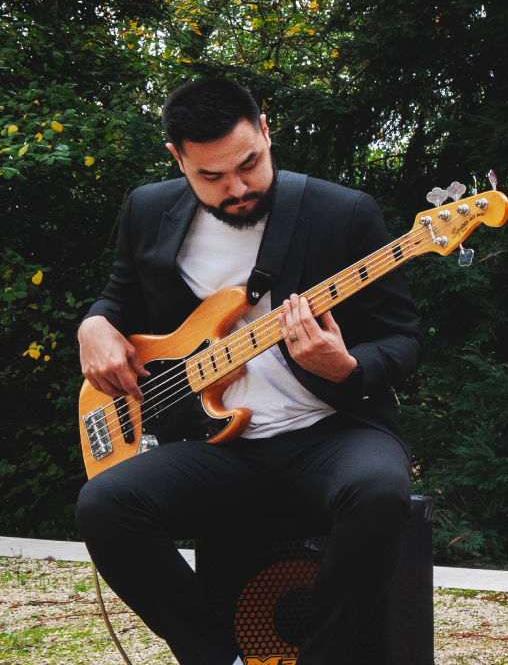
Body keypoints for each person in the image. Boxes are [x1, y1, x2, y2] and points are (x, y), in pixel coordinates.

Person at [75, 77, 423, 665]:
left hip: (332, 432)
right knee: (103, 506)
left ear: (265, 129)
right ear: (178, 159)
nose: (237, 188)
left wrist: (346, 366)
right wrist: (93, 325)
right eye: (210, 176)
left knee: (381, 491)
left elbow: (403, 340)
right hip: (215, 446)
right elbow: (120, 297)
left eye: (250, 164)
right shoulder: (148, 209)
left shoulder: (343, 213)